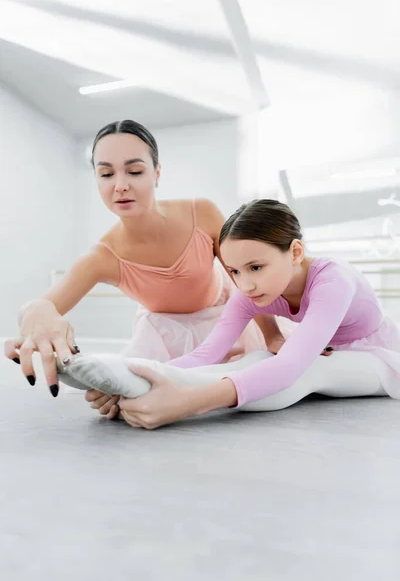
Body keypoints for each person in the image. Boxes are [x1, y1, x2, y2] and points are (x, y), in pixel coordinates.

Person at [57, 198, 400, 428]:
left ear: (295, 252)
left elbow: (289, 367)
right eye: (235, 271)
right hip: (331, 350)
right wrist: (147, 372)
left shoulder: (333, 280)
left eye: (255, 267)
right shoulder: (253, 292)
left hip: (380, 357)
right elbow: (208, 353)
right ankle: (132, 378)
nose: (245, 284)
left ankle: (163, 391)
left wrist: (189, 404)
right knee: (258, 357)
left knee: (306, 371)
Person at [4, 120, 270, 405]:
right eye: (106, 174)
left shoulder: (202, 213)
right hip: (163, 339)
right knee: (132, 394)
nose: (120, 186)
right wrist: (36, 315)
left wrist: (273, 335)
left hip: (228, 321)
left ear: (156, 173)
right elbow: (39, 307)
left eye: (134, 171)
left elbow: (246, 281)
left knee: (254, 381)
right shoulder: (101, 257)